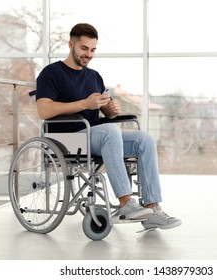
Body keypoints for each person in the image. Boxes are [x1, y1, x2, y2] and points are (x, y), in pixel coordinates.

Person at [36, 23, 181, 230]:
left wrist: (111, 110)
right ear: (71, 45)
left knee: (144, 139)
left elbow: (104, 113)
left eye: (93, 50)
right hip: (67, 138)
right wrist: (84, 104)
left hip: (95, 135)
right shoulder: (51, 73)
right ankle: (125, 204)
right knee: (110, 131)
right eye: (84, 48)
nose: (89, 54)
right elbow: (44, 110)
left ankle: (152, 209)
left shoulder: (94, 76)